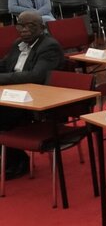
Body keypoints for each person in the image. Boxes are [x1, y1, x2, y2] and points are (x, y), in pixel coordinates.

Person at [0, 11, 64, 178]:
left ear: (42, 27)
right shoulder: (18, 43)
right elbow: (4, 65)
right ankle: (9, 159)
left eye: (30, 26)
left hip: (37, 100)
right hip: (14, 95)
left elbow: (36, 76)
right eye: (20, 25)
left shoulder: (49, 46)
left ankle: (18, 162)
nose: (24, 30)